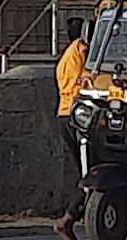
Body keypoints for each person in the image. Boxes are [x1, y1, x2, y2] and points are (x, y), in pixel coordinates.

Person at [53, 19, 89, 240]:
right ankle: (68, 218)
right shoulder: (80, 48)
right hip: (78, 117)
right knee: (90, 172)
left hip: (63, 114)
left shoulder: (64, 58)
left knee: (83, 170)